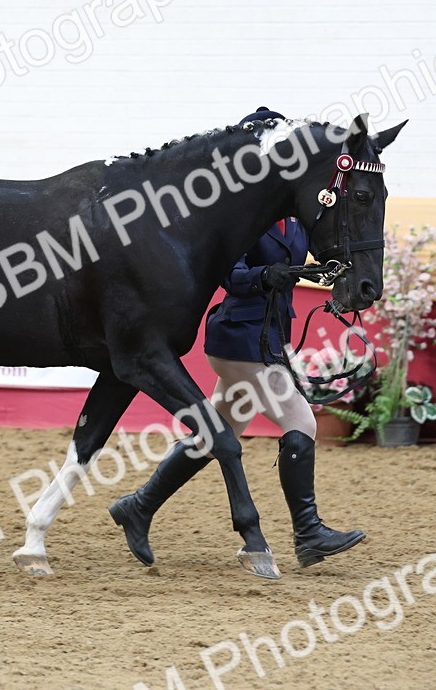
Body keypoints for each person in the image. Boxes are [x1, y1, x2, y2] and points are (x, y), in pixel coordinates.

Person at [108, 107, 366, 571]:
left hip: (268, 336)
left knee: (218, 432)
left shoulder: (293, 217)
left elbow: (306, 255)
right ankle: (308, 534)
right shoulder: (242, 215)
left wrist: (328, 275)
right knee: (301, 423)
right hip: (239, 337)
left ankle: (138, 507)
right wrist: (270, 274)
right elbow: (231, 275)